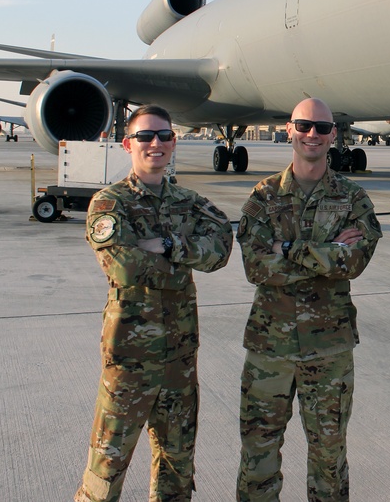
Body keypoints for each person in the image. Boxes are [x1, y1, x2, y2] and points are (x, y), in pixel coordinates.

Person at [75, 104, 234, 502]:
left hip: (180, 361)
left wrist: (167, 245)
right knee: (106, 470)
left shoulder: (190, 201)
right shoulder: (110, 203)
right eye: (145, 136)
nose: (155, 144)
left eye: (164, 135)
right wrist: (185, 259)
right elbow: (124, 267)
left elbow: (221, 250)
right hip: (130, 362)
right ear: (128, 144)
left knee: (177, 468)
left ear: (173, 142)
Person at [235, 97, 382, 502]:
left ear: (335, 134)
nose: (312, 135)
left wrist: (286, 248)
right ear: (290, 129)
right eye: (304, 126)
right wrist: (327, 250)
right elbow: (255, 267)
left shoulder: (352, 198)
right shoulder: (264, 195)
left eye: (321, 127)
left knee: (329, 458)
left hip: (329, 349)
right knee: (258, 456)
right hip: (270, 348)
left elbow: (354, 262)